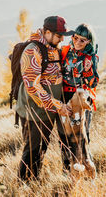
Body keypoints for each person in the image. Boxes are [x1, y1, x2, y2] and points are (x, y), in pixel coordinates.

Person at [16, 16, 74, 180]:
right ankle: (25, 185)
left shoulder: (54, 46)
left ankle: (35, 182)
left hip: (50, 108)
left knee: (43, 146)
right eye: (59, 35)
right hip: (34, 110)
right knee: (33, 149)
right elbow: (33, 87)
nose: (62, 38)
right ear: (47, 32)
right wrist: (57, 105)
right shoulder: (32, 51)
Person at [57, 23, 99, 172]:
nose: (78, 42)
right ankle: (67, 169)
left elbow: (94, 83)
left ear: (89, 41)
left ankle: (86, 168)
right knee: (63, 134)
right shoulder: (65, 51)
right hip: (64, 97)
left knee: (82, 134)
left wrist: (88, 71)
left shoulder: (91, 56)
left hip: (80, 98)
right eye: (76, 38)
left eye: (83, 40)